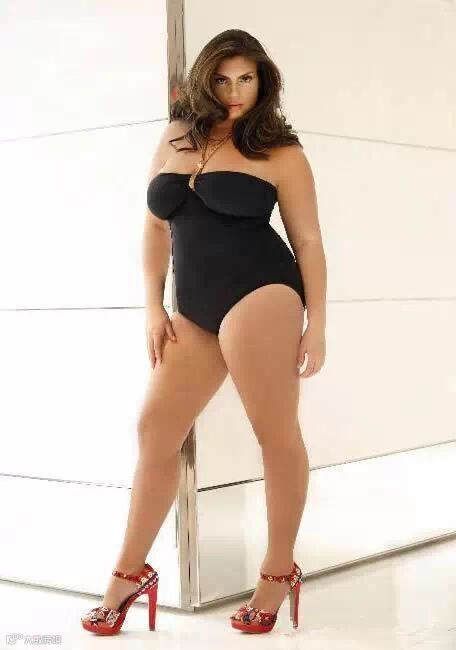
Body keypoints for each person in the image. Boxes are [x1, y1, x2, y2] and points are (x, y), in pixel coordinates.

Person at [81, 28, 326, 636]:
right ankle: (129, 573)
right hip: (190, 308)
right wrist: (152, 306)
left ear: (263, 81)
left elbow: (308, 240)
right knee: (154, 430)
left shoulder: (281, 152)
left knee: (274, 434)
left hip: (262, 292)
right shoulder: (176, 136)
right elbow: (154, 228)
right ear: (204, 80)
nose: (235, 91)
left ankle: (278, 571)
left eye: (247, 79)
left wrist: (317, 322)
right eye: (222, 78)